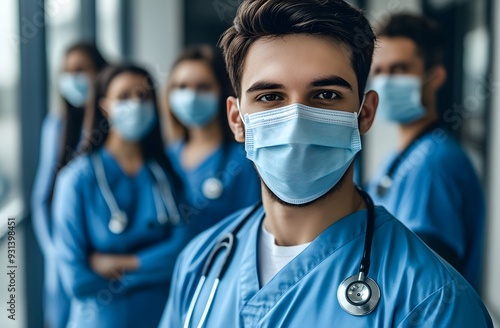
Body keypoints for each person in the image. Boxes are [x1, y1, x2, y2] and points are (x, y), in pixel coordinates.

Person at [159, 1, 493, 327]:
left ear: (364, 114)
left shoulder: (431, 301)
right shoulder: (200, 263)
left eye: (326, 95)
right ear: (237, 120)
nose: (296, 121)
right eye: (270, 97)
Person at [52, 63, 189, 328]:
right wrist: (153, 268)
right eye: (124, 96)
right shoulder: (76, 180)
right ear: (105, 106)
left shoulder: (167, 173)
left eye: (143, 96)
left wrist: (120, 264)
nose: (136, 104)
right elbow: (77, 280)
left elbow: (183, 256)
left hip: (160, 318)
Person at [366, 13, 486, 291]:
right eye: (379, 71)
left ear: (435, 77)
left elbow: (425, 287)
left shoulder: (435, 164)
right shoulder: (401, 157)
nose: (385, 81)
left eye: (399, 69)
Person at [31, 41, 107, 328]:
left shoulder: (110, 129)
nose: (72, 79)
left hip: (97, 257)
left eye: (80, 70)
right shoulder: (55, 126)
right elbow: (41, 198)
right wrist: (57, 252)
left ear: (99, 73)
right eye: (66, 72)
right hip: (63, 259)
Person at [165, 45, 261, 236]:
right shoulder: (166, 156)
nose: (191, 97)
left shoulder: (245, 159)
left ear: (223, 91)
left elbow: (252, 227)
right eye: (182, 87)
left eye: (203, 87)